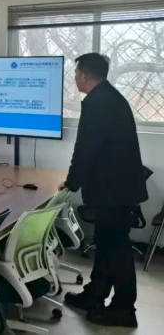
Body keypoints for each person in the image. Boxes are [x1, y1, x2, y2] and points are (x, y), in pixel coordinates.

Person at [60, 53, 148, 327]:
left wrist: (71, 183)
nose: (75, 77)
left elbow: (85, 148)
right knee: (107, 244)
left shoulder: (98, 102)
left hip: (114, 191)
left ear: (85, 75)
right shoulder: (108, 97)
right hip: (116, 188)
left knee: (116, 250)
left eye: (76, 73)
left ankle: (124, 309)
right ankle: (95, 294)